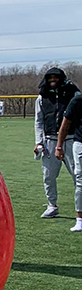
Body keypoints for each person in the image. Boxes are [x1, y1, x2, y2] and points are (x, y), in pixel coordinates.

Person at [34, 67, 78, 218]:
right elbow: (38, 121)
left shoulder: (72, 94)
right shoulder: (42, 97)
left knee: (78, 175)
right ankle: (52, 205)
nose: (53, 80)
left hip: (71, 139)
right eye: (50, 77)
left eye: (56, 77)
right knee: (48, 175)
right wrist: (38, 142)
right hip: (50, 141)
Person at [55, 91, 82, 232]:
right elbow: (65, 126)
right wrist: (59, 146)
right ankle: (80, 219)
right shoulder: (77, 101)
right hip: (80, 144)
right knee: (80, 181)